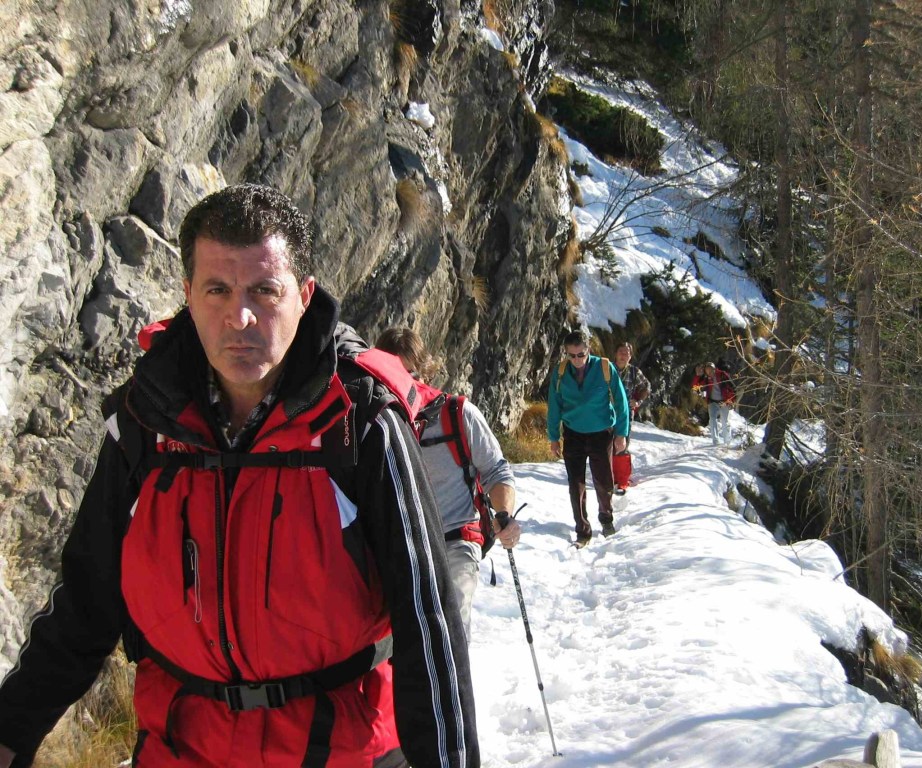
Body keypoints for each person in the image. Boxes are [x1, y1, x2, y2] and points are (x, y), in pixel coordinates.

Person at [0, 185, 479, 768]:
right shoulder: (144, 421)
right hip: (181, 747)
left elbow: (427, 620)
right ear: (188, 295)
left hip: (340, 749)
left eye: (264, 290)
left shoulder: (360, 422)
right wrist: (12, 731)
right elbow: (85, 602)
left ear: (304, 296)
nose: (240, 317)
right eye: (217, 290)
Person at [375, 327, 521, 642]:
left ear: (424, 371)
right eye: (391, 375)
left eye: (410, 374)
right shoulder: (374, 421)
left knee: (449, 631)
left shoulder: (458, 414)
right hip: (399, 547)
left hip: (456, 542)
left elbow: (496, 470)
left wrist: (504, 514)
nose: (402, 384)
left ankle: (454, 674)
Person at [546, 330, 630, 547]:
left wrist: (621, 433)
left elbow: (621, 402)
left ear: (589, 350)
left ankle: (606, 517)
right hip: (573, 433)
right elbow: (554, 405)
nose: (576, 360)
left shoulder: (605, 368)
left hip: (601, 433)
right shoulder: (561, 372)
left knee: (604, 481)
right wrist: (553, 437)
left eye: (581, 355)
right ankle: (582, 530)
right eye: (571, 355)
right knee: (576, 484)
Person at [611, 342, 651, 492]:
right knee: (606, 444)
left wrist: (638, 401)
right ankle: (609, 476)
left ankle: (621, 479)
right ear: (615, 354)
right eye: (621, 351)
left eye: (627, 352)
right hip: (606, 412)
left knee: (622, 443)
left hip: (626, 412)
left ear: (630, 356)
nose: (623, 355)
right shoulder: (607, 369)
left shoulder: (634, 372)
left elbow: (646, 386)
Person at [691, 361, 736, 445]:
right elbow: (695, 388)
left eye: (710, 369)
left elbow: (732, 388)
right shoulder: (706, 379)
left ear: (714, 369)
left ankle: (727, 442)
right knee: (712, 419)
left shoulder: (722, 375)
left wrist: (731, 400)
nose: (709, 372)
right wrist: (697, 376)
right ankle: (715, 441)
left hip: (724, 402)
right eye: (707, 370)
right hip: (712, 402)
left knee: (724, 421)